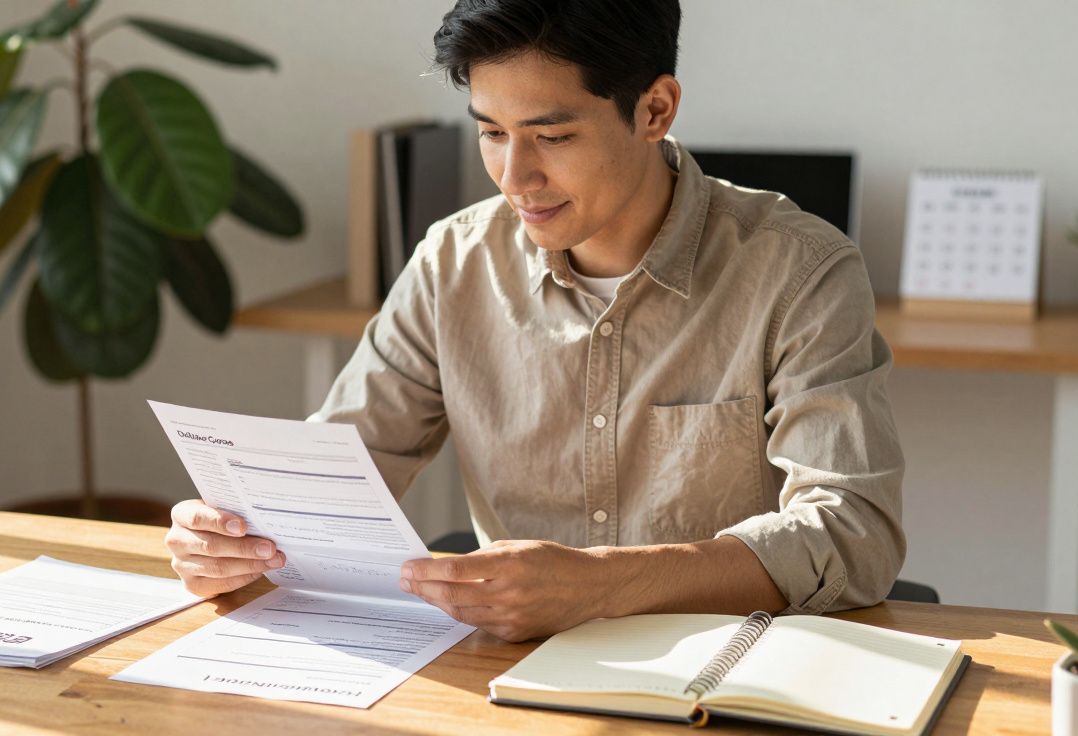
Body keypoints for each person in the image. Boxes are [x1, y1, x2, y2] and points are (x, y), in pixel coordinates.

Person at [164, 0, 905, 643]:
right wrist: (238, 537)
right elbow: (335, 475)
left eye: (551, 137)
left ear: (655, 109)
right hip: (509, 675)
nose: (514, 178)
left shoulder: (800, 270)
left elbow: (853, 533)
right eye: (490, 132)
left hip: (725, 671)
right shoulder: (453, 262)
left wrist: (605, 584)